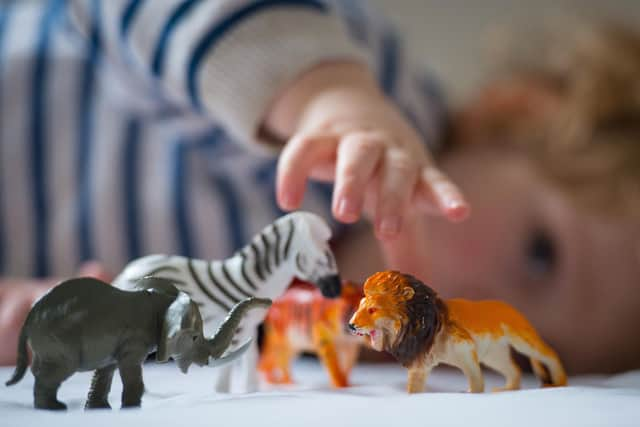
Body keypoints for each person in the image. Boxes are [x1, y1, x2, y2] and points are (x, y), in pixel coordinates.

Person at [0, 0, 465, 365]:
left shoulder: (317, 325)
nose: (467, 296)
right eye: (538, 251)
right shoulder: (387, 96)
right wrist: (325, 93)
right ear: (515, 110)